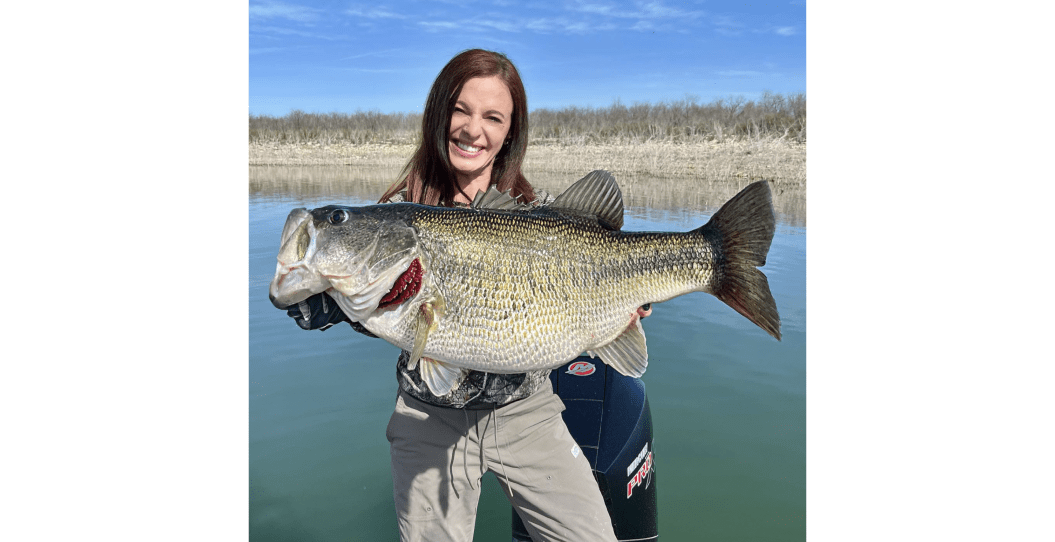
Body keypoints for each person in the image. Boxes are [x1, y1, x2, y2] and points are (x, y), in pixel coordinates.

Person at [289, 49, 646, 542]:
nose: (473, 129)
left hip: (526, 412)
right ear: (440, 114)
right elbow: (376, 301)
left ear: (509, 133)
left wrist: (623, 305)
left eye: (492, 117)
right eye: (461, 110)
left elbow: (593, 288)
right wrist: (324, 298)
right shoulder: (397, 212)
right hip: (428, 419)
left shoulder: (535, 211)